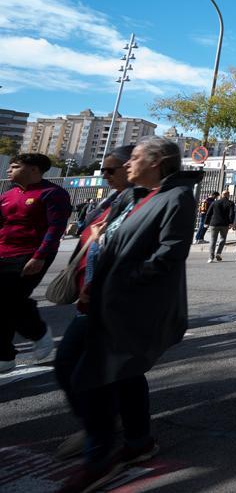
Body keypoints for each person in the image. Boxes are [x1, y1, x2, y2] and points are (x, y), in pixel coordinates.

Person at [54, 137, 195, 493]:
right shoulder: (131, 196)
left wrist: (124, 281)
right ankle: (137, 441)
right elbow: (112, 241)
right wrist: (93, 276)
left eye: (134, 158)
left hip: (128, 305)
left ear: (158, 161)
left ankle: (100, 456)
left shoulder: (176, 197)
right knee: (105, 371)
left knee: (92, 375)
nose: (126, 164)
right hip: (98, 298)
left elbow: (170, 253)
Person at [51, 145, 137, 460]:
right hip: (91, 297)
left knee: (77, 367)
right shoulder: (112, 199)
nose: (105, 175)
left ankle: (99, 441)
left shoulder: (139, 201)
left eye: (111, 169)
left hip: (108, 301)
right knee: (106, 371)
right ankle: (112, 430)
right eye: (103, 169)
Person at [1, 152, 71, 374]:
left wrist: (40, 256)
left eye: (14, 166)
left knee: (9, 302)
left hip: (30, 254)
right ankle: (19, 345)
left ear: (33, 169)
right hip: (3, 252)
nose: (8, 170)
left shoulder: (53, 193)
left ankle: (23, 344)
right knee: (9, 303)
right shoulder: (8, 194)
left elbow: (55, 228)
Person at [204, 190, 235, 263]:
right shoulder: (230, 203)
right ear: (228, 195)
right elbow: (231, 214)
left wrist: (206, 222)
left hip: (214, 223)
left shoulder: (215, 202)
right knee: (223, 239)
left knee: (213, 240)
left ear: (221, 195)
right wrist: (231, 223)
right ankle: (218, 253)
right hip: (224, 224)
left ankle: (211, 257)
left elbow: (208, 213)